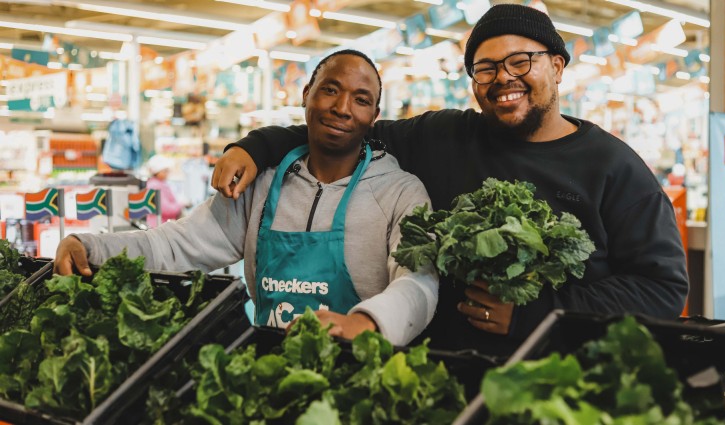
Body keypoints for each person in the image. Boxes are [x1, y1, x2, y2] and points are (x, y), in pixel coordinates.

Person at [209, 4, 689, 356]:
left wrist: (538, 312)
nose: (503, 78)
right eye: (486, 68)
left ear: (557, 66)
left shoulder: (614, 167)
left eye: (520, 61)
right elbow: (342, 127)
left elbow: (662, 289)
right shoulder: (443, 136)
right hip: (437, 373)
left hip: (556, 381)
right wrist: (256, 147)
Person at [55, 50, 437, 346]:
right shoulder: (262, 184)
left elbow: (418, 282)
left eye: (360, 99)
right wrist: (92, 247)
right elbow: (178, 244)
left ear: (374, 115)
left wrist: (367, 323)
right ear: (307, 95)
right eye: (331, 90)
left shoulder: (401, 192)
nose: (341, 108)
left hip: (360, 378)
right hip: (266, 375)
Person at [144, 154, 184, 227]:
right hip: (158, 226)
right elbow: (166, 209)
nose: (167, 173)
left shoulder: (158, 184)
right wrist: (181, 204)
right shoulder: (155, 186)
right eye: (165, 170)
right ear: (157, 171)